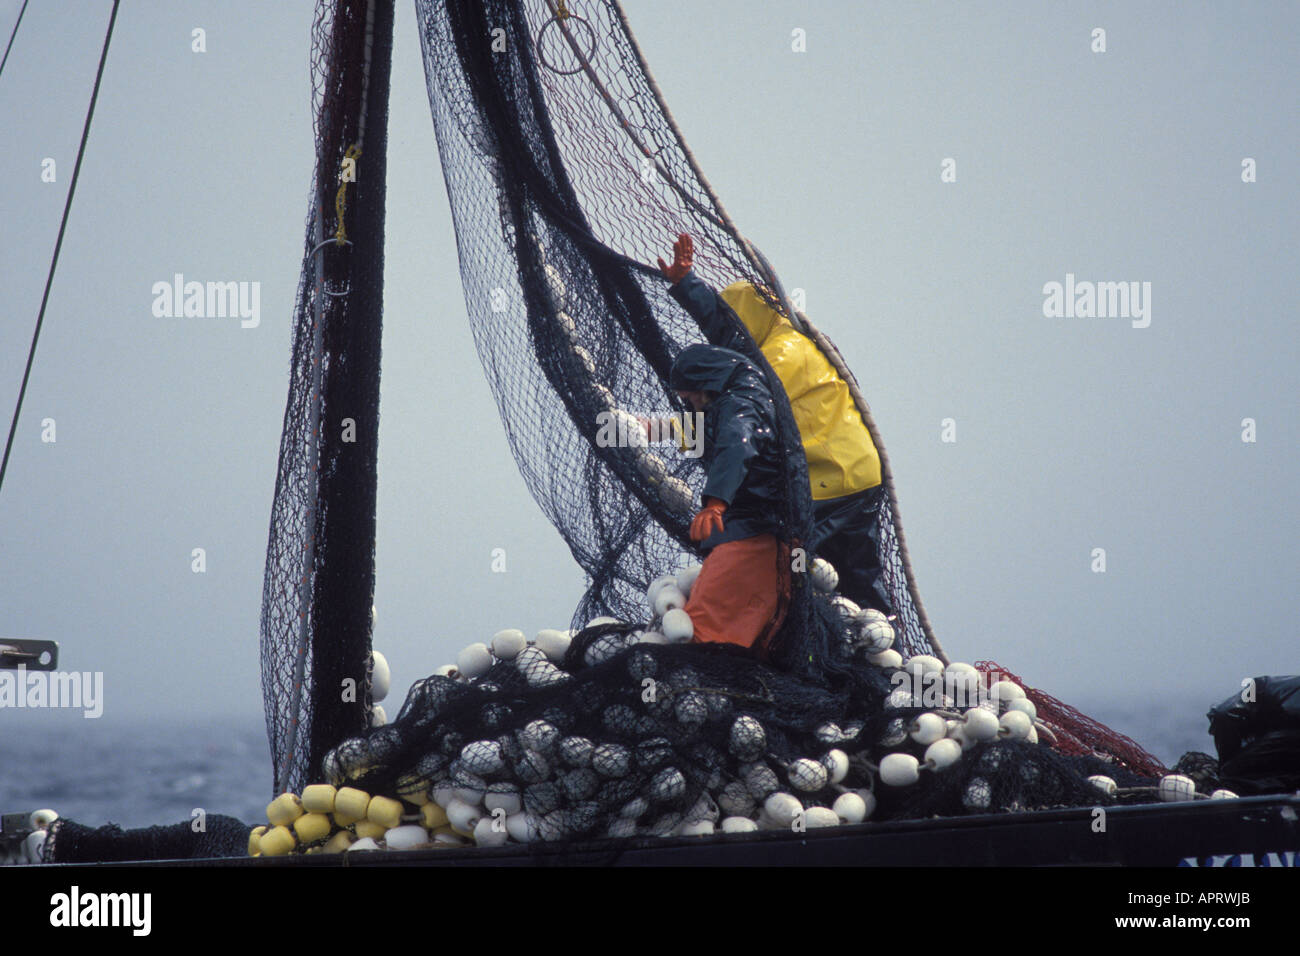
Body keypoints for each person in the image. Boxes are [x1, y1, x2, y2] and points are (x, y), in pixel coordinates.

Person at [659, 233, 891, 613]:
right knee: (855, 575)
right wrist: (686, 285)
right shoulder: (772, 339)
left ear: (749, 319)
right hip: (858, 476)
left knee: (777, 553)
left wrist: (668, 432)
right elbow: (726, 328)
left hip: (829, 478)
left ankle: (778, 633)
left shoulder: (782, 353)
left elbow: (743, 413)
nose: (729, 333)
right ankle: (882, 644)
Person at [665, 343, 793, 657]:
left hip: (755, 534)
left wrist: (716, 503)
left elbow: (738, 443)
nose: (692, 403)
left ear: (708, 382)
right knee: (748, 636)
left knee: (706, 626)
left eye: (691, 395)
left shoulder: (741, 405)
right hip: (764, 532)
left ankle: (704, 681)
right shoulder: (745, 394)